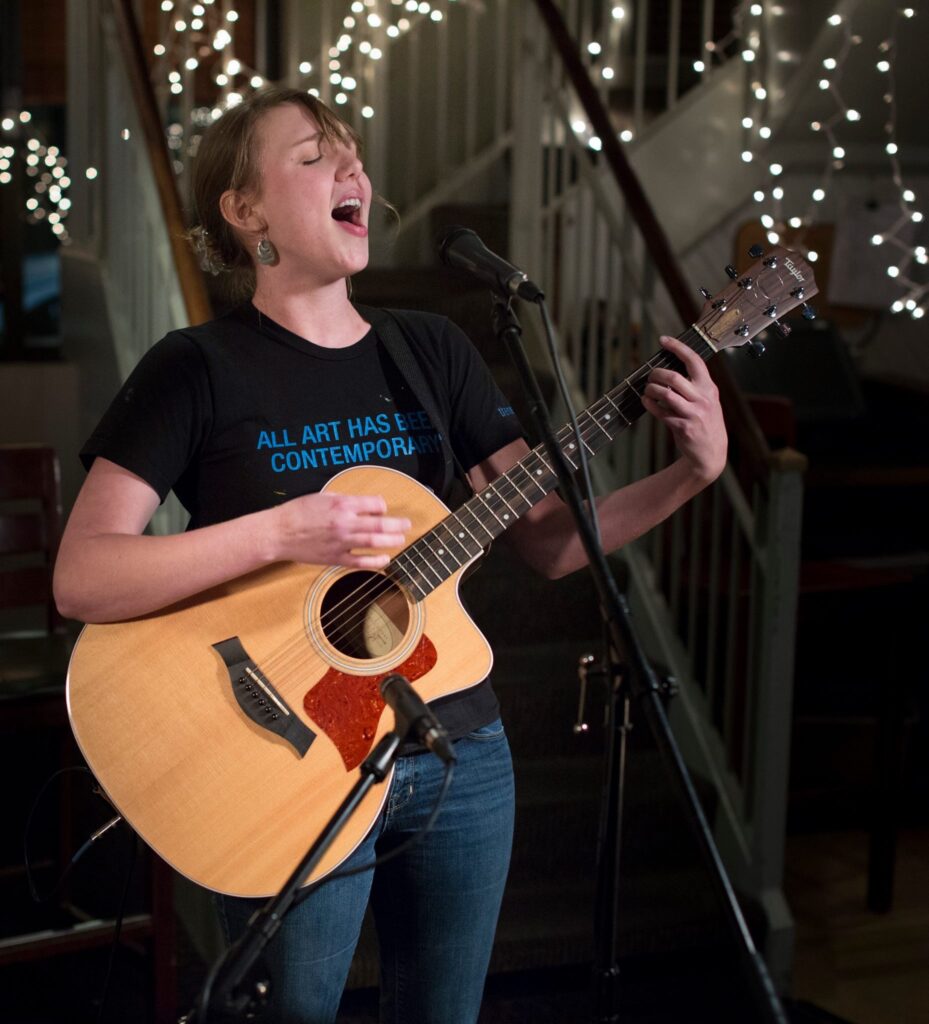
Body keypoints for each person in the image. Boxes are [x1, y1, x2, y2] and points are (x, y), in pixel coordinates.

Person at [53, 86, 727, 1023]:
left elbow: (548, 540)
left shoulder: (431, 350)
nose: (353, 171)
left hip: (458, 750)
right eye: (314, 157)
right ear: (245, 212)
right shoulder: (195, 367)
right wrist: (282, 532)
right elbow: (83, 575)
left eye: (355, 157)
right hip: (286, 761)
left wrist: (689, 476)